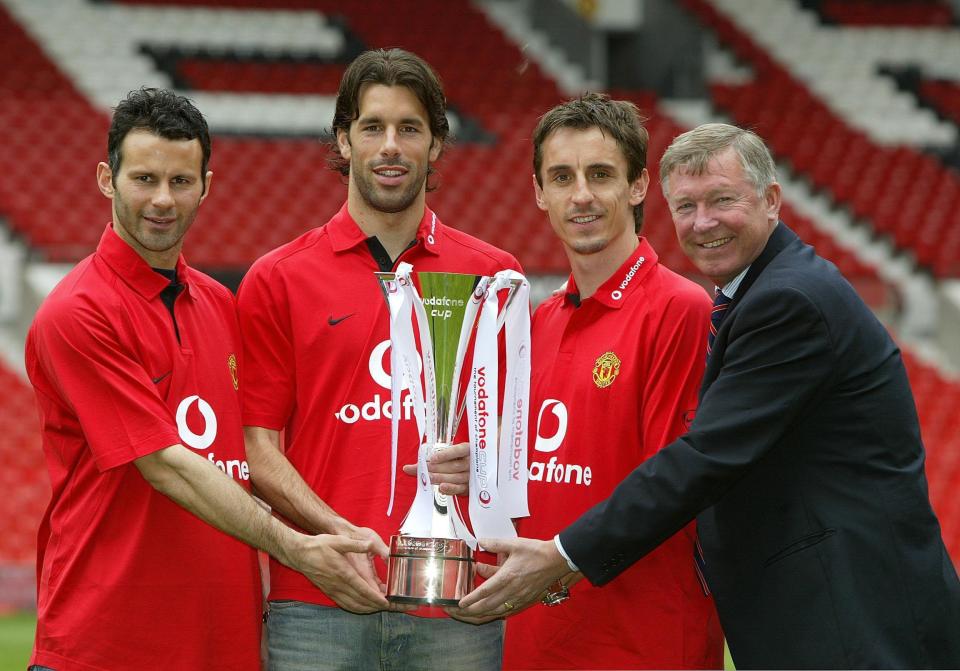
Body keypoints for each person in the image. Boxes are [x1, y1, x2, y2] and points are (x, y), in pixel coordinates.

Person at [455, 123, 960, 668]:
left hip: (851, 614)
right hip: (822, 609)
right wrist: (494, 462)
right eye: (687, 206)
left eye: (722, 200)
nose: (703, 223)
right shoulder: (758, 294)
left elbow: (704, 457)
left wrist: (561, 555)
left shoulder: (787, 300)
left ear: (771, 200)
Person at [24, 87, 387, 671]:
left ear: (207, 186)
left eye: (180, 181)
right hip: (107, 646)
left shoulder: (221, 304)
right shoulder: (78, 311)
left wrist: (335, 527)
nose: (163, 200)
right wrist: (296, 547)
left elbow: (249, 453)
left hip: (222, 644)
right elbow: (165, 463)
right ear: (105, 179)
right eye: (144, 179)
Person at [236, 48, 522, 670]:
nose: (390, 146)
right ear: (344, 139)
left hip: (459, 601)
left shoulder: (497, 277)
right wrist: (336, 534)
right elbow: (258, 451)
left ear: (437, 144)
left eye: (410, 128)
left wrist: (486, 459)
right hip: (318, 602)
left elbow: (516, 434)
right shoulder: (277, 279)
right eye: (373, 127)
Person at [491, 94, 721, 669]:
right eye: (562, 177)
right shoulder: (537, 321)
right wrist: (478, 464)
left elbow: (669, 486)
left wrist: (562, 558)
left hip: (641, 640)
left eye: (600, 175)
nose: (582, 196)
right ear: (539, 193)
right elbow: (549, 461)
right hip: (537, 638)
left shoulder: (680, 308)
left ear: (639, 185)